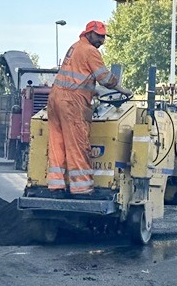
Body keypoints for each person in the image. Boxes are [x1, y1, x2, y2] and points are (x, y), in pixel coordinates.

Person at [46, 21, 130, 195]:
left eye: (103, 37)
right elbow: (104, 78)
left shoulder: (75, 47)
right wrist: (121, 88)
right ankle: (81, 188)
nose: (102, 41)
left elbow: (77, 77)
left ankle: (56, 185)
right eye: (99, 36)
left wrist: (92, 90)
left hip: (55, 98)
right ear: (89, 33)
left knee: (57, 143)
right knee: (77, 144)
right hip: (72, 102)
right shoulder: (90, 51)